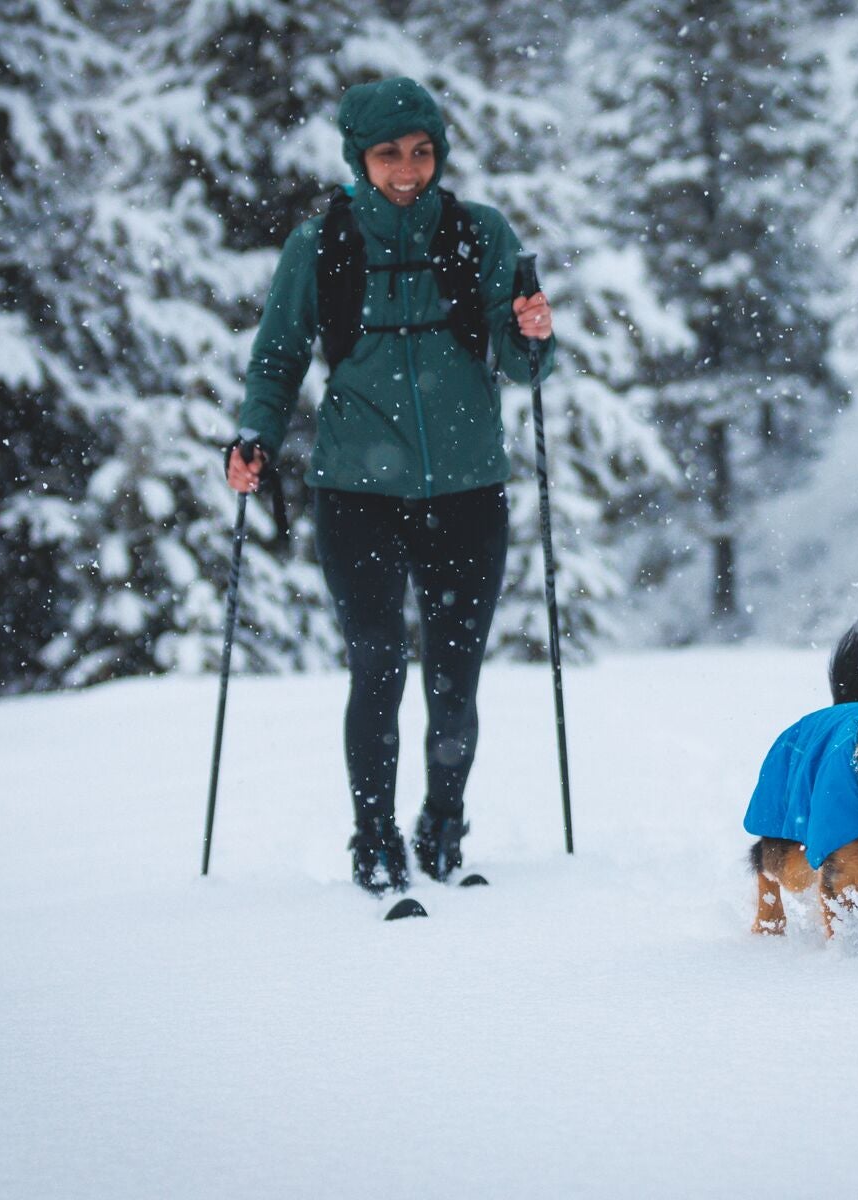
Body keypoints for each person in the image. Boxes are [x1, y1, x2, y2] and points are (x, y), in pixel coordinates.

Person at [227, 76, 556, 895]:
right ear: (357, 159)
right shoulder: (322, 244)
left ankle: (443, 826)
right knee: (376, 666)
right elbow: (278, 355)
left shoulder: (482, 235)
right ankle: (373, 837)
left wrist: (535, 334)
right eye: (389, 154)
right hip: (355, 494)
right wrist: (255, 436)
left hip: (469, 490)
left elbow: (522, 367)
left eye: (422, 152)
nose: (408, 170)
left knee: (455, 678)